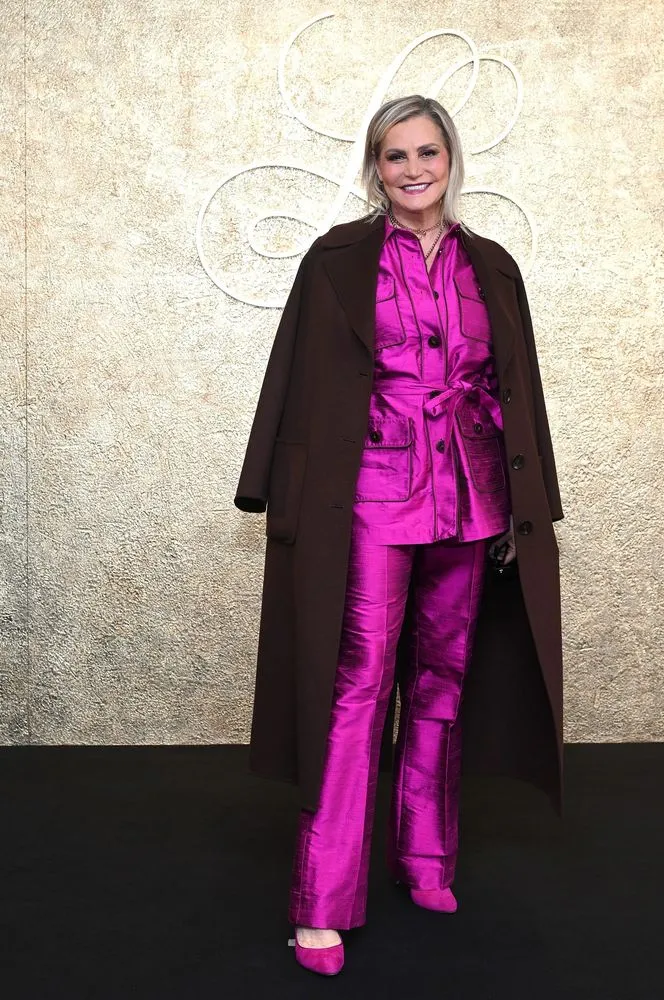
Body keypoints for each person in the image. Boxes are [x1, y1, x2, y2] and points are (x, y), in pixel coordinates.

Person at [234, 94, 564, 977]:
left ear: (451, 160)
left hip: (471, 494)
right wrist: (271, 486)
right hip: (372, 493)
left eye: (428, 153)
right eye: (395, 156)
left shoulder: (492, 265)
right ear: (375, 168)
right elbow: (293, 372)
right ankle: (321, 902)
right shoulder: (337, 258)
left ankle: (425, 858)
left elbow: (519, 387)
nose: (414, 170)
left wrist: (529, 502)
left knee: (444, 681)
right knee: (357, 685)